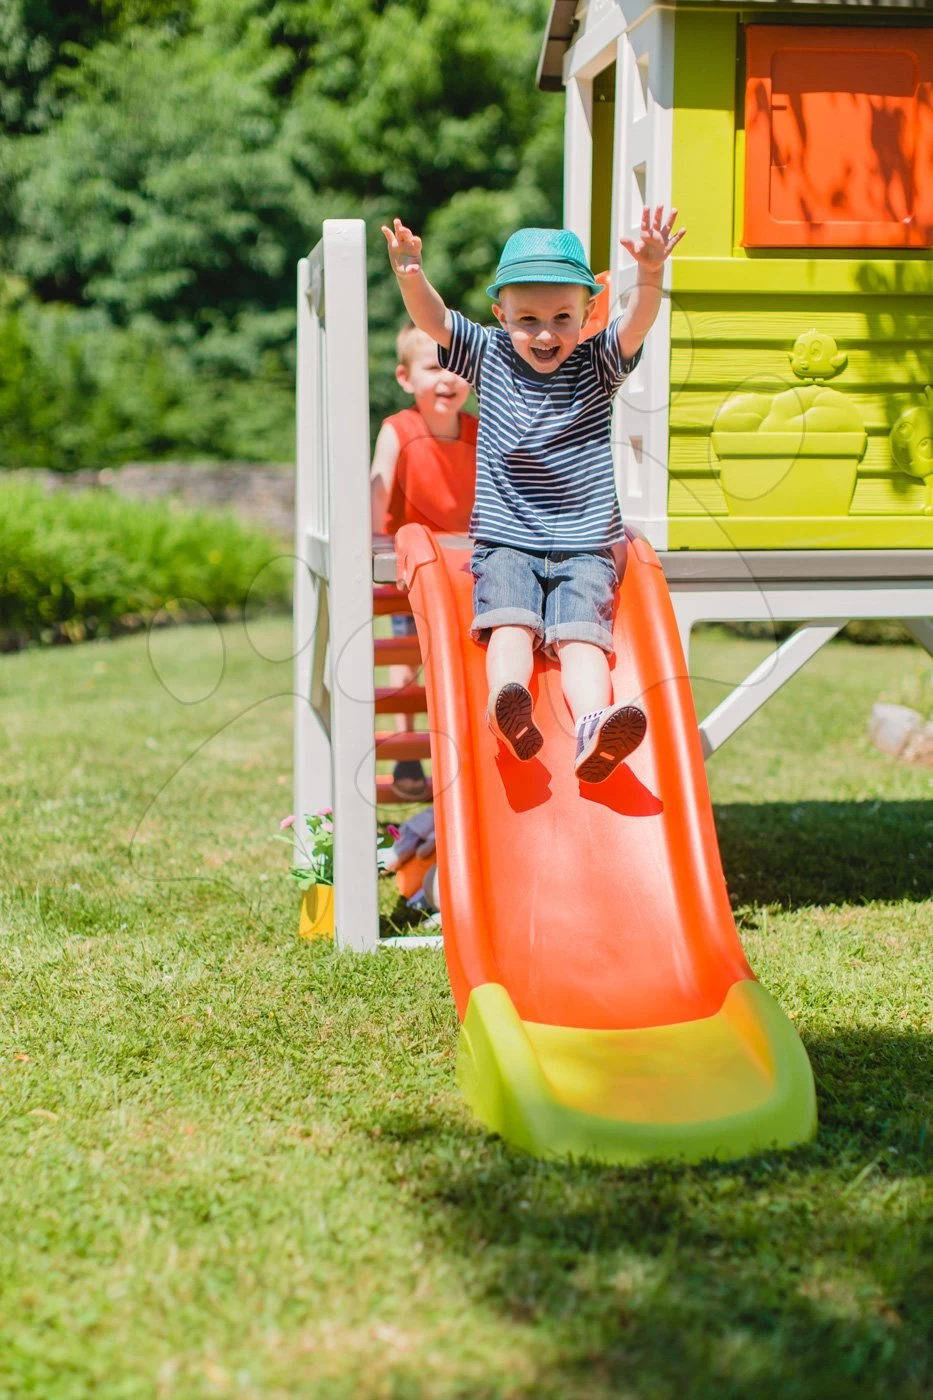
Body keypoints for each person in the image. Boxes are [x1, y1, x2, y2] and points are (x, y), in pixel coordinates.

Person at [380, 209, 685, 782]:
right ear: (501, 316)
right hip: (507, 539)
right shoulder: (489, 354)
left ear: (587, 314)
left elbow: (638, 324)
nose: (545, 333)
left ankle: (594, 725)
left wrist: (649, 274)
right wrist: (411, 272)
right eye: (528, 319)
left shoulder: (596, 364)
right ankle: (509, 703)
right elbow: (436, 322)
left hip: (585, 544)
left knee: (582, 640)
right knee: (512, 625)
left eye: (563, 317)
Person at [371, 322, 477, 798]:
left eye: (456, 367)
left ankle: (464, 737)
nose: (447, 378)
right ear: (405, 377)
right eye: (433, 367)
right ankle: (407, 743)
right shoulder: (399, 429)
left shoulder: (479, 432)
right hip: (410, 563)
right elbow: (379, 489)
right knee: (406, 654)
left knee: (460, 653)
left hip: (462, 567)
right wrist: (376, 545)